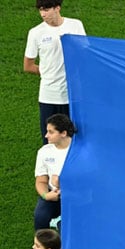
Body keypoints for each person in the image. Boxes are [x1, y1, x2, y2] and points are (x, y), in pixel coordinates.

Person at [24, 0, 86, 144]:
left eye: (46, 9)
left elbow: (84, 54)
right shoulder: (36, 33)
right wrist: (47, 72)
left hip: (72, 96)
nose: (43, 14)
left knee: (74, 138)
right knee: (50, 140)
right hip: (48, 96)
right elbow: (28, 65)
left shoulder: (75, 25)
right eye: (40, 10)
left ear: (57, 8)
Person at [34, 113, 75, 230]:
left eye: (51, 132)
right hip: (54, 196)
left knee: (65, 228)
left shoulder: (78, 151)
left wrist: (62, 182)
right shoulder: (44, 151)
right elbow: (41, 181)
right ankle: (41, 245)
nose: (46, 135)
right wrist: (46, 195)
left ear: (63, 133)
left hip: (76, 197)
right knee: (40, 216)